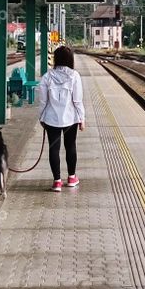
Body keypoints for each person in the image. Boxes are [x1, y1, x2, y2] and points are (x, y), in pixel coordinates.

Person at [36, 44, 85, 192]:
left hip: (51, 119)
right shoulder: (74, 76)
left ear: (56, 59)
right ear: (70, 60)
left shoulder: (47, 77)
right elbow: (77, 100)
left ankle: (57, 182)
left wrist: (41, 117)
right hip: (70, 118)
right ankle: (71, 178)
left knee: (53, 149)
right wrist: (82, 118)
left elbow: (43, 101)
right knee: (71, 146)